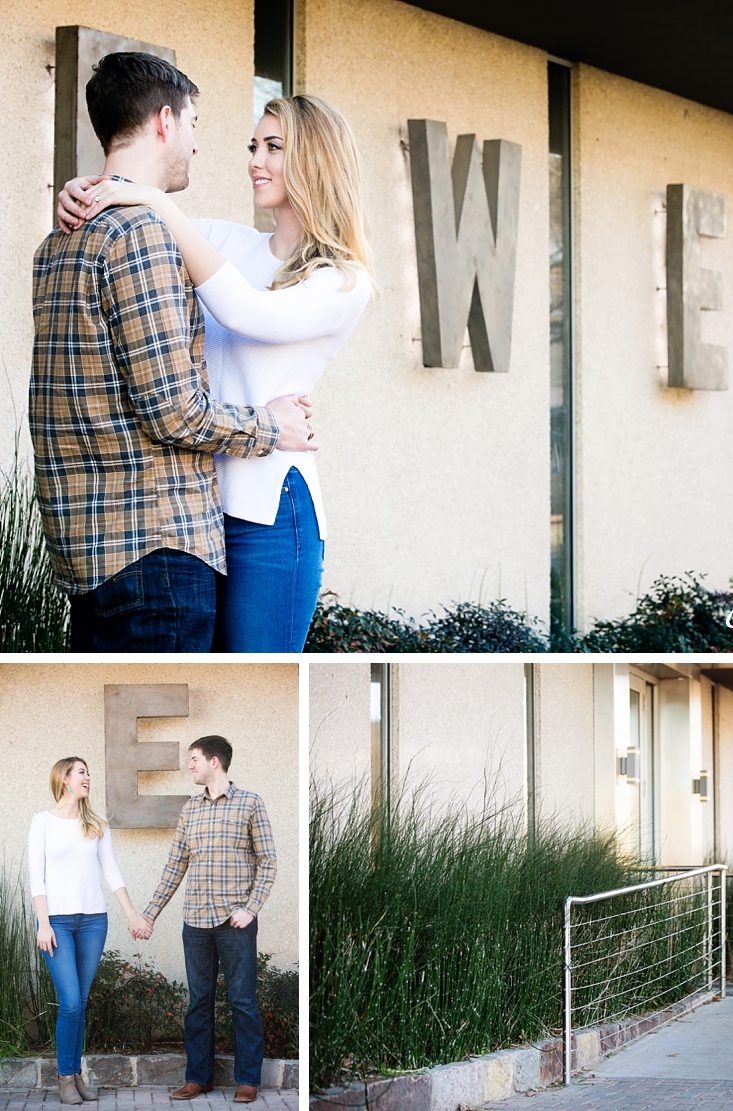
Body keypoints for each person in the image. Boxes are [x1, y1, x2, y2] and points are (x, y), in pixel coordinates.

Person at [56, 92, 373, 652]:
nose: (255, 161)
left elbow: (246, 312)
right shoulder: (226, 242)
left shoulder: (343, 280)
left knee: (252, 681)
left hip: (268, 517)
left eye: (273, 147)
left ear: (315, 159)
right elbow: (131, 223)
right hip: (193, 514)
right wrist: (80, 192)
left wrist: (155, 199)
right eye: (254, 146)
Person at [138, 736, 276, 1102]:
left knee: (242, 1002)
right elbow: (175, 866)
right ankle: (198, 1078)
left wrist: (251, 908)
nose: (190, 766)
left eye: (194, 759)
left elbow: (268, 863)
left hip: (234, 923)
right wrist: (150, 913)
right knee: (198, 1002)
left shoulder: (250, 803)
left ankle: (248, 1080)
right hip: (195, 923)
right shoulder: (190, 810)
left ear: (215, 762)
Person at [29, 758, 151, 1105]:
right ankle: (65, 1077)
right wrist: (43, 923)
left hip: (94, 921)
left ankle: (76, 1074)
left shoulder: (96, 823)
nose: (88, 777)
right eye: (81, 772)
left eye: (88, 773)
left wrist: (132, 914)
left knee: (80, 1003)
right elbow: (36, 878)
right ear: (64, 779)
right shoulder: (42, 822)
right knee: (70, 1002)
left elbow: (111, 870)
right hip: (56, 923)